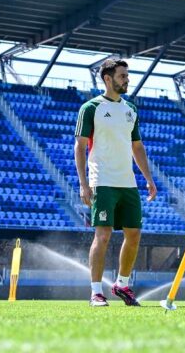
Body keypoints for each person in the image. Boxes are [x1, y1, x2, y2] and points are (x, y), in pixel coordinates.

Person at [75, 59, 157, 307]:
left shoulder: (131, 109)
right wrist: (83, 184)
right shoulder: (91, 108)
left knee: (134, 235)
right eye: (122, 76)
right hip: (102, 181)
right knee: (103, 235)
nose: (127, 79)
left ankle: (122, 284)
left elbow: (137, 147)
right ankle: (96, 292)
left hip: (128, 182)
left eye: (127, 75)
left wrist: (149, 179)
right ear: (108, 79)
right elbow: (79, 146)